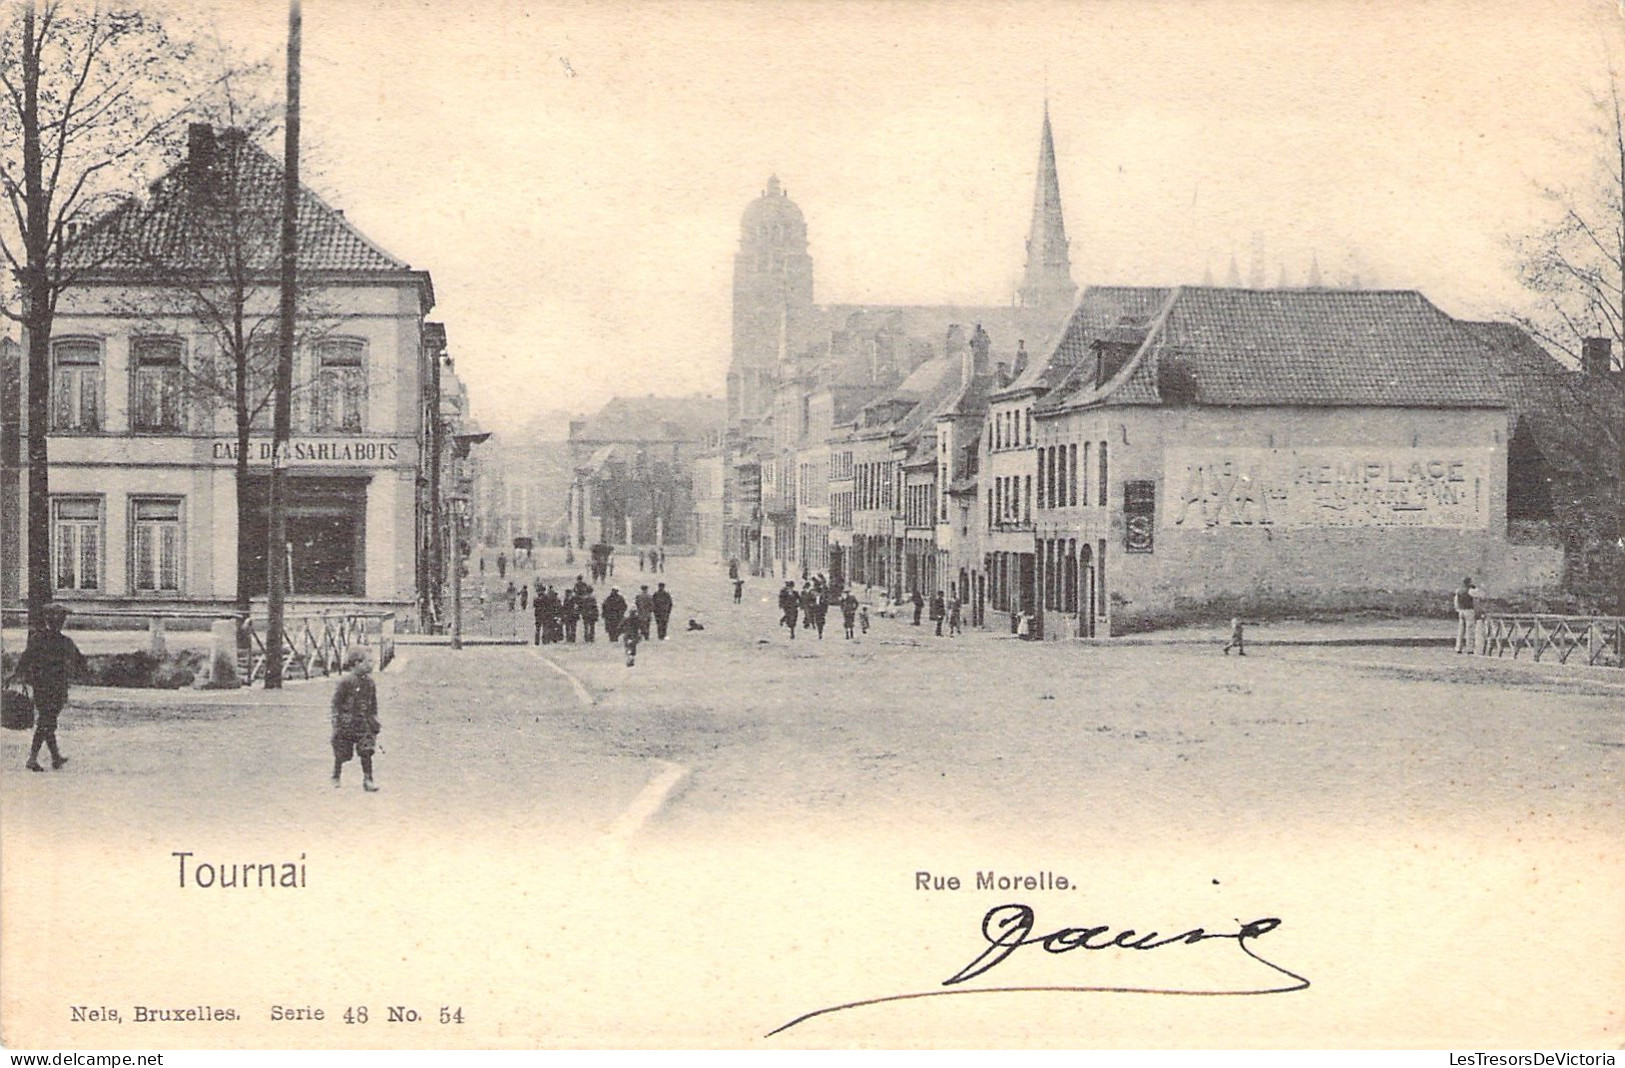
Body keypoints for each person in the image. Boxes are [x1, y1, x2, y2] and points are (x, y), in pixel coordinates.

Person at [15, 603, 85, 772]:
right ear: (61, 622)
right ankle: (33, 758)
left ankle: (55, 757)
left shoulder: (37, 639)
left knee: (47, 721)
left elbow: (25, 659)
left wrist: (19, 674)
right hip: (57, 687)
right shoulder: (65, 642)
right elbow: (80, 662)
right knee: (47, 722)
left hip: (40, 686)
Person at [330, 648, 381, 792]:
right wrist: (336, 720)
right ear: (356, 663)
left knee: (367, 750)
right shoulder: (346, 681)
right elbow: (336, 703)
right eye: (368, 661)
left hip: (364, 722)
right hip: (347, 722)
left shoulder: (370, 683)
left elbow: (373, 702)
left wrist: (375, 718)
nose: (372, 664)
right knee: (342, 752)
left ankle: (368, 779)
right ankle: (336, 775)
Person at [1453, 577, 1477, 655]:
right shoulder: (1470, 590)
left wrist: (1458, 609)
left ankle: (1458, 647)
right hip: (1469, 610)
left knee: (1461, 630)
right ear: (1469, 583)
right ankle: (1469, 648)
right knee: (1470, 630)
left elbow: (1456, 601)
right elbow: (1478, 596)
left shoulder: (1458, 590)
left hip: (1461, 610)